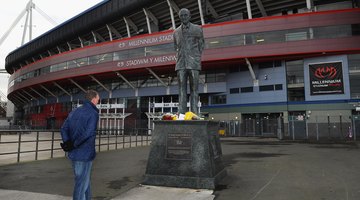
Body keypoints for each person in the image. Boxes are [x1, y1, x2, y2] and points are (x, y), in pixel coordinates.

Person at [61, 90, 100, 200]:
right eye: (98, 98)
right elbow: (89, 133)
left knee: (84, 180)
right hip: (85, 154)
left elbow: (63, 128)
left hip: (73, 154)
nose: (98, 100)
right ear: (93, 99)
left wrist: (67, 143)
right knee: (81, 183)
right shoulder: (93, 113)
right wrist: (74, 144)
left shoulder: (74, 112)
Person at [173, 8, 205, 115]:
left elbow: (201, 45)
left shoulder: (197, 29)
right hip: (181, 63)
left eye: (186, 15)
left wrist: (195, 57)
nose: (184, 17)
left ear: (190, 16)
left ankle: (194, 112)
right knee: (181, 89)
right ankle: (181, 112)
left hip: (193, 63)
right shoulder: (176, 32)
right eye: (181, 16)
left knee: (194, 89)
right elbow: (176, 47)